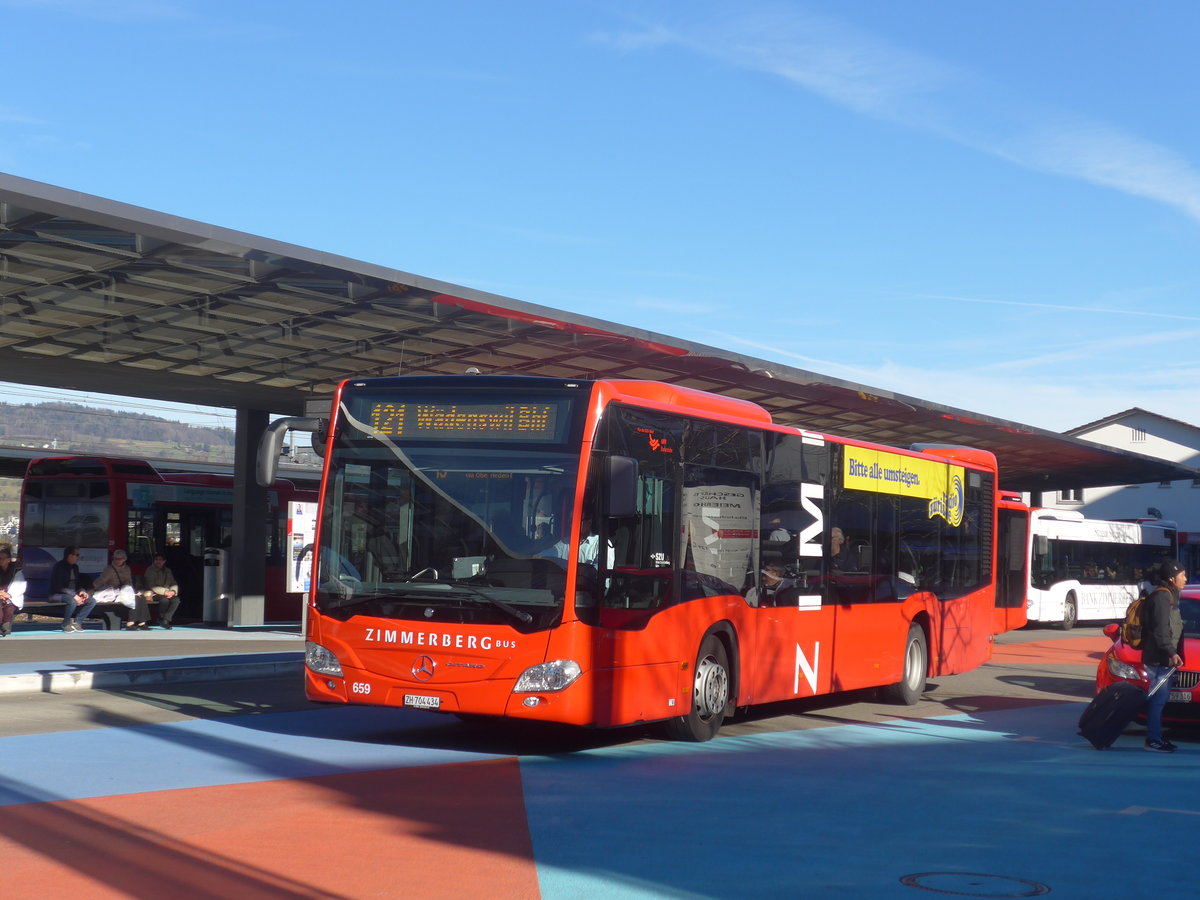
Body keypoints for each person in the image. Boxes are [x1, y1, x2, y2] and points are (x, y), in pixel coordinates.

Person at [1141, 558, 1187, 752]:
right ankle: (1152, 739)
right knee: (1157, 699)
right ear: (1171, 577)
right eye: (1182, 575)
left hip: (1164, 658)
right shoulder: (1162, 598)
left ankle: (1156, 737)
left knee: (1159, 699)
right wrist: (1171, 652)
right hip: (1160, 659)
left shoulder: (1170, 596)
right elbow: (1160, 630)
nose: (1185, 578)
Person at [92, 549, 149, 630]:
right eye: (115, 558)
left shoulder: (127, 569)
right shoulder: (109, 569)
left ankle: (142, 622)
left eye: (119, 559)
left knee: (141, 597)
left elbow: (129, 582)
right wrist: (93, 587)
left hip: (123, 591)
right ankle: (130, 623)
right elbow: (101, 580)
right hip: (113, 593)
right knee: (133, 598)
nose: (117, 561)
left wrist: (129, 588)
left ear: (124, 559)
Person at [50, 545, 95, 632]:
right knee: (72, 601)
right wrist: (74, 595)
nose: (78, 557)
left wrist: (82, 591)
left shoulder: (75, 567)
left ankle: (77, 622)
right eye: (77, 555)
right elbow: (58, 587)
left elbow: (77, 584)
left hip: (72, 594)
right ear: (70, 555)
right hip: (56, 594)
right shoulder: (59, 567)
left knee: (91, 601)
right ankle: (65, 623)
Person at [142, 552, 181, 629]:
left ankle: (165, 619)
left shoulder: (167, 571)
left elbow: (173, 582)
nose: (158, 561)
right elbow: (151, 585)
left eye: (160, 560)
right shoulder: (150, 570)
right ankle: (161, 617)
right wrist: (165, 592)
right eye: (156, 559)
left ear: (164, 561)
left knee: (176, 600)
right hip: (153, 593)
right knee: (164, 600)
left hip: (167, 592)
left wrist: (173, 591)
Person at [0, 546, 25, 637]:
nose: (0, 560)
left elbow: (20, 586)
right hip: (1, 595)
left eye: (2, 558)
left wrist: (8, 594)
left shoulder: (16, 571)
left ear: (8, 559)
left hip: (11, 596)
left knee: (9, 607)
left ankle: (6, 627)